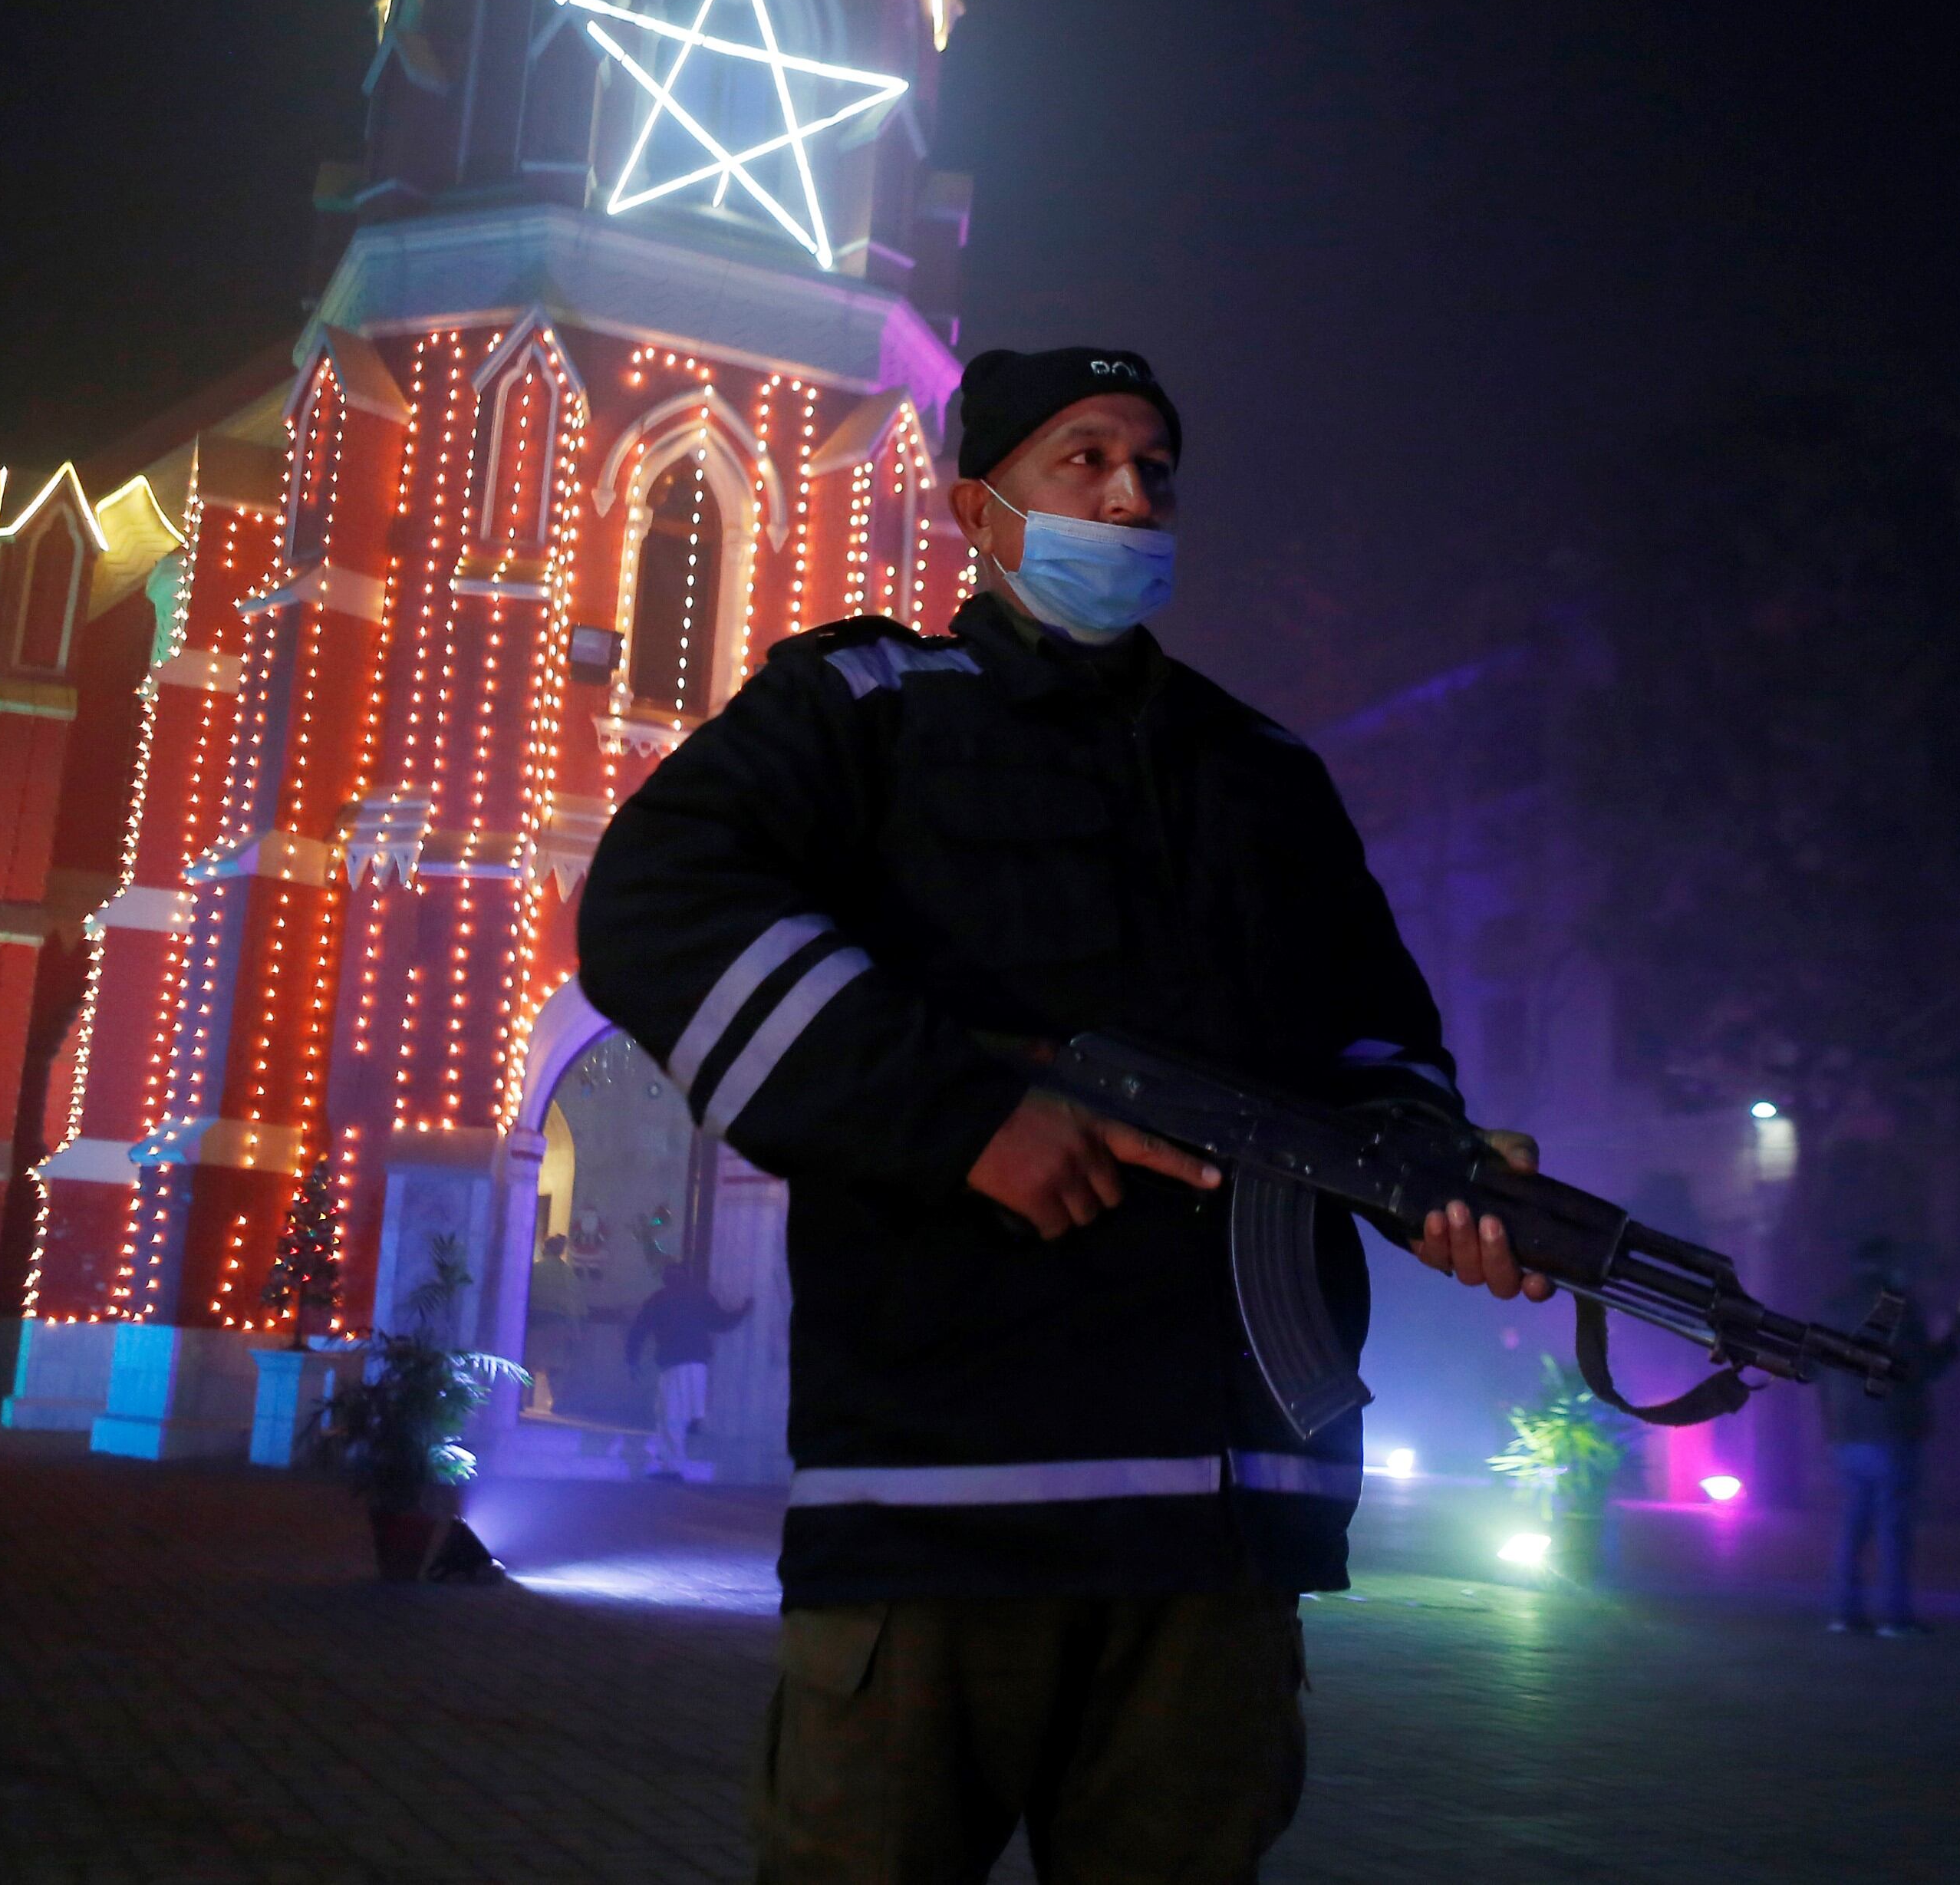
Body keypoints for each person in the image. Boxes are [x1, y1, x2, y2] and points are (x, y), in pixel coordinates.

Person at [580, 345, 1548, 1884]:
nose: (1130, 492)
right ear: (981, 505)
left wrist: (1431, 1174)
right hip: (942, 1505)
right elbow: (655, 901)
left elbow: (1376, 1032)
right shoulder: (866, 704)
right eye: (1081, 457)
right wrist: (964, 1113)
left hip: (1219, 1541)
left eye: (1155, 465)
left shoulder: (1265, 771)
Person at [1817, 1237, 1960, 1637]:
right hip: (1892, 1427)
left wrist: (1833, 1426)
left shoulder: (1834, 1307)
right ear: (1888, 1264)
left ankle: (1844, 1612)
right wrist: (1956, 1338)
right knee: (1893, 1527)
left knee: (1852, 1524)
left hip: (1847, 1432)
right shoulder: (1897, 1308)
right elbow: (1918, 1367)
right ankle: (1895, 1615)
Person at [625, 1259, 751, 1481]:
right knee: (679, 1414)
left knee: (670, 1414)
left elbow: (640, 1329)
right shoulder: (698, 1296)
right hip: (696, 1361)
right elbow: (720, 1321)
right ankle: (674, 1459)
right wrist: (742, 1312)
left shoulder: (660, 1299)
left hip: (674, 1363)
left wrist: (632, 1359)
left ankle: (672, 1465)